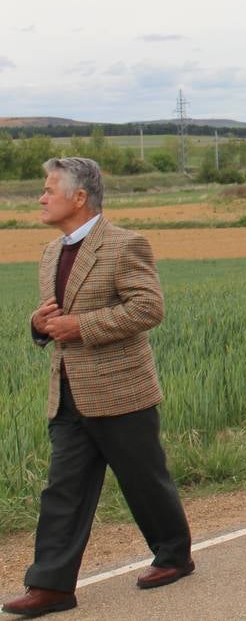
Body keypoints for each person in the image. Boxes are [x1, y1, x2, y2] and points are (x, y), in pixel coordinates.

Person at [3, 158, 194, 619]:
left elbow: (148, 309)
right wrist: (39, 324)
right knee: (62, 489)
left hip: (120, 390)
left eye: (49, 189)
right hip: (67, 393)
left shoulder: (125, 245)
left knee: (144, 481)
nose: (41, 197)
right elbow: (52, 317)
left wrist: (80, 325)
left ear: (79, 197)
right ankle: (51, 586)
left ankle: (174, 555)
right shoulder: (51, 252)